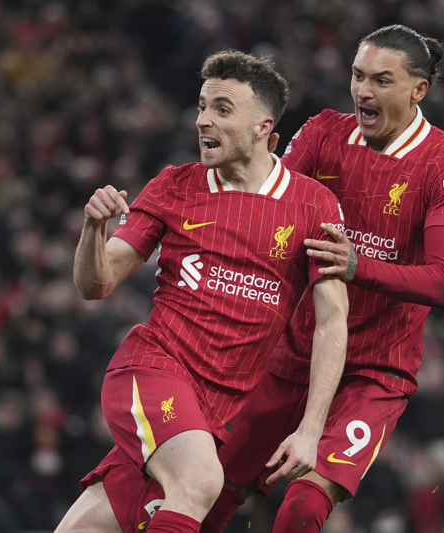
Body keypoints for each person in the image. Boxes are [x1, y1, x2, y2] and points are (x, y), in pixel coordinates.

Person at [107, 24, 444, 533]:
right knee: (201, 491)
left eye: (382, 80)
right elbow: (265, 199)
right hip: (290, 356)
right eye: (358, 75)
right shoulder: (325, 132)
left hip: (374, 370)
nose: (363, 91)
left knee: (302, 508)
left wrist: (358, 266)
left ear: (419, 90)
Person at [54, 50, 349, 533]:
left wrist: (311, 429)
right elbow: (97, 283)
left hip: (210, 415)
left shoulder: (315, 205)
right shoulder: (174, 186)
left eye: (222, 109)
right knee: (199, 482)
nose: (202, 120)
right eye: (202, 106)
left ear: (263, 127)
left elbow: (333, 320)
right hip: (151, 369)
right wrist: (93, 230)